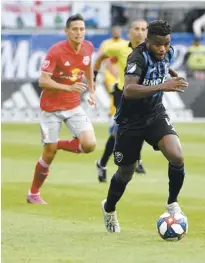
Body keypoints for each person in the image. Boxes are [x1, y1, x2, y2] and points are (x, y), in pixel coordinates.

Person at [100, 20, 189, 233]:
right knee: (126, 173)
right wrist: (163, 85)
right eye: (158, 44)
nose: (163, 48)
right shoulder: (136, 57)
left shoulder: (167, 51)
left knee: (176, 156)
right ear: (148, 40)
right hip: (131, 121)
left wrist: (173, 75)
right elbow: (129, 89)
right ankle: (109, 208)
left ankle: (172, 204)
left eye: (166, 44)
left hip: (155, 113)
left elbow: (165, 63)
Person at [26, 14, 96, 204]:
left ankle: (55, 143)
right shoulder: (56, 52)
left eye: (82, 29)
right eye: (75, 29)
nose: (79, 32)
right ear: (67, 31)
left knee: (89, 144)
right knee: (48, 154)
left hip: (73, 105)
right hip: (51, 108)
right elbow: (43, 80)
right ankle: (33, 193)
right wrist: (68, 87)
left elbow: (88, 65)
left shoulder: (88, 47)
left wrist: (91, 90)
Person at [94, 19, 148, 183]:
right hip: (122, 94)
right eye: (136, 28)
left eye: (143, 29)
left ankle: (104, 163)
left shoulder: (152, 50)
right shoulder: (119, 48)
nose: (139, 32)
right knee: (120, 131)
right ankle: (105, 163)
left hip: (141, 95)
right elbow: (101, 57)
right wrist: (94, 77)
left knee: (138, 129)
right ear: (130, 31)